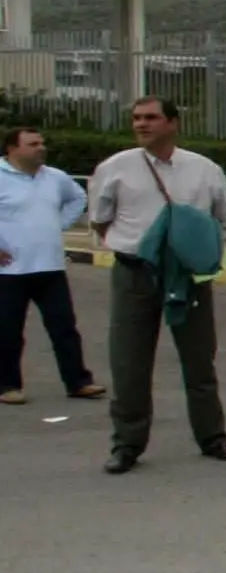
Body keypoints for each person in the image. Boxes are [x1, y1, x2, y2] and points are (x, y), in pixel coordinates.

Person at [86, 95, 226, 474]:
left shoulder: (205, 170)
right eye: (136, 118)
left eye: (151, 117)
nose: (141, 124)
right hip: (135, 272)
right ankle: (127, 444)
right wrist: (137, 248)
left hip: (188, 276)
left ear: (173, 123)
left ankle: (213, 437)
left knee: (199, 358)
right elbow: (100, 220)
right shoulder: (115, 168)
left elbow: (219, 217)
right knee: (129, 362)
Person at [0, 128, 105, 406]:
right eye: (33, 144)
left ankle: (78, 381)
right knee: (8, 331)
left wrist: (58, 223)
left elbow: (78, 198)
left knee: (64, 328)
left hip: (50, 267)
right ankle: (7, 385)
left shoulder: (55, 177)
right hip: (9, 271)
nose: (41, 148)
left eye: (42, 143)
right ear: (12, 149)